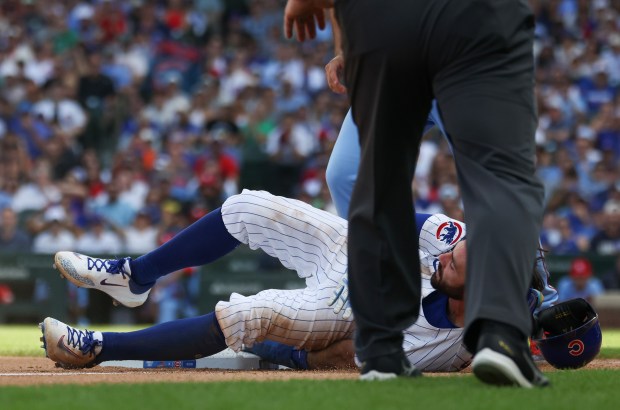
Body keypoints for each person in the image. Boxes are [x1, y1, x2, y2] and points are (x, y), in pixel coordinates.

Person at [283, 0, 547, 386]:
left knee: (375, 178)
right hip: (472, 25)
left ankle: (382, 348)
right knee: (496, 175)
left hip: (386, 28)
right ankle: (500, 331)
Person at [41, 189, 547, 372]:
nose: (456, 251)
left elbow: (340, 355)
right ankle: (135, 277)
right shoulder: (449, 239)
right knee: (247, 207)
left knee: (250, 315)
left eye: (465, 261)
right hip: (355, 248)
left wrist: (276, 350)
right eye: (464, 245)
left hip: (348, 307)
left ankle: (97, 347)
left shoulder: (441, 350)